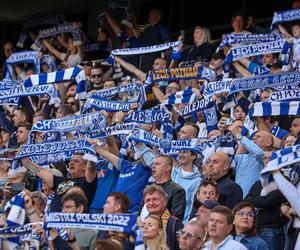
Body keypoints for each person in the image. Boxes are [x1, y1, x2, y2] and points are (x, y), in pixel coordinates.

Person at [142, 184, 183, 250]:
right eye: (148, 200)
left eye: (155, 199)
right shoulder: (142, 223)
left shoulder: (175, 224)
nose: (151, 203)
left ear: (164, 201)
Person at [151, 155, 186, 220]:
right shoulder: (149, 189)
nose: (153, 166)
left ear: (168, 167)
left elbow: (176, 219)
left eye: (157, 164)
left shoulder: (177, 190)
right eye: (153, 164)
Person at [172, 150, 202, 223]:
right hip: (164, 221)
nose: (180, 155)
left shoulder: (198, 181)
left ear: (193, 156)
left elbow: (192, 205)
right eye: (180, 152)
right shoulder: (172, 172)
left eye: (184, 152)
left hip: (182, 223)